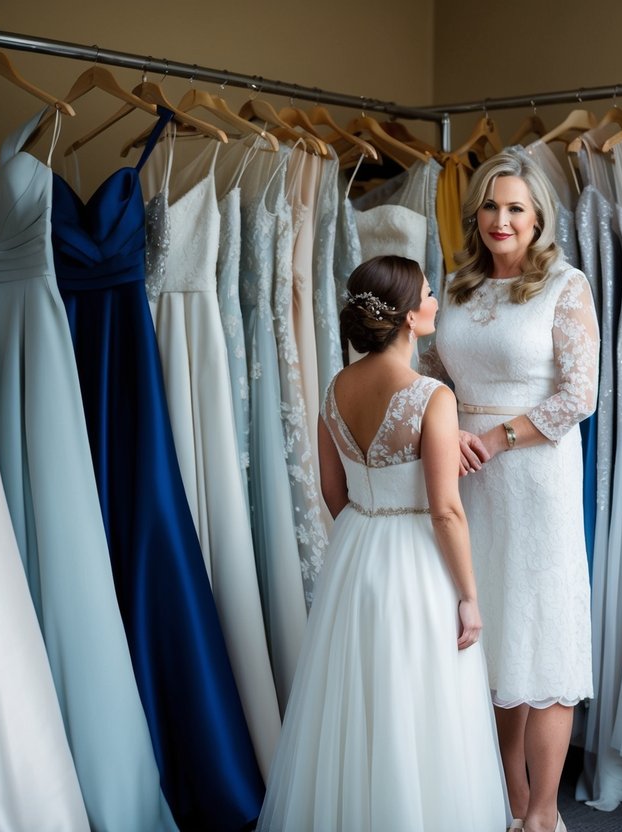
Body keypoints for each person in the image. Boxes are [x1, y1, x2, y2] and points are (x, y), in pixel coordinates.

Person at [258, 255, 509, 832]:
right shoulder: (431, 397)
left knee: (358, 702)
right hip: (416, 558)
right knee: (420, 703)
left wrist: (366, 533)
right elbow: (446, 510)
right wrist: (470, 596)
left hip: (357, 550)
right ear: (406, 318)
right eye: (427, 294)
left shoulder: (336, 387)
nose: (436, 302)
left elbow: (330, 489)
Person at [420, 153, 600, 832]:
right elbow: (434, 371)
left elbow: (578, 396)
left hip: (534, 477)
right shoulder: (457, 287)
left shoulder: (565, 284)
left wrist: (494, 440)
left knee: (543, 638)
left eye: (515, 208)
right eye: (491, 206)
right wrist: (440, 432)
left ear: (537, 218)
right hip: (464, 478)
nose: (501, 220)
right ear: (476, 214)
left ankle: (544, 814)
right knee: (490, 639)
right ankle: (509, 801)